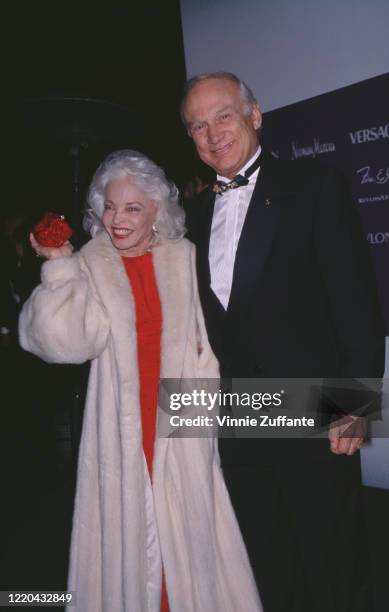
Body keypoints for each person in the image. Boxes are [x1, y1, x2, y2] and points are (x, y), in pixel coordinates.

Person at [19, 150, 262, 612]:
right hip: (121, 429)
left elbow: (213, 342)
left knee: (190, 534)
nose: (118, 218)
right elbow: (66, 344)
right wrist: (59, 268)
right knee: (132, 536)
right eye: (109, 206)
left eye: (132, 207)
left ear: (157, 211)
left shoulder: (187, 258)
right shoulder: (90, 261)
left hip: (183, 422)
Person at [181, 72, 385, 611]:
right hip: (240, 422)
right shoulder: (194, 217)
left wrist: (356, 405)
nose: (212, 133)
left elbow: (356, 304)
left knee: (334, 566)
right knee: (268, 567)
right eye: (197, 125)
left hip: (315, 418)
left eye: (223, 115)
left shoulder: (314, 186)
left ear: (255, 114)